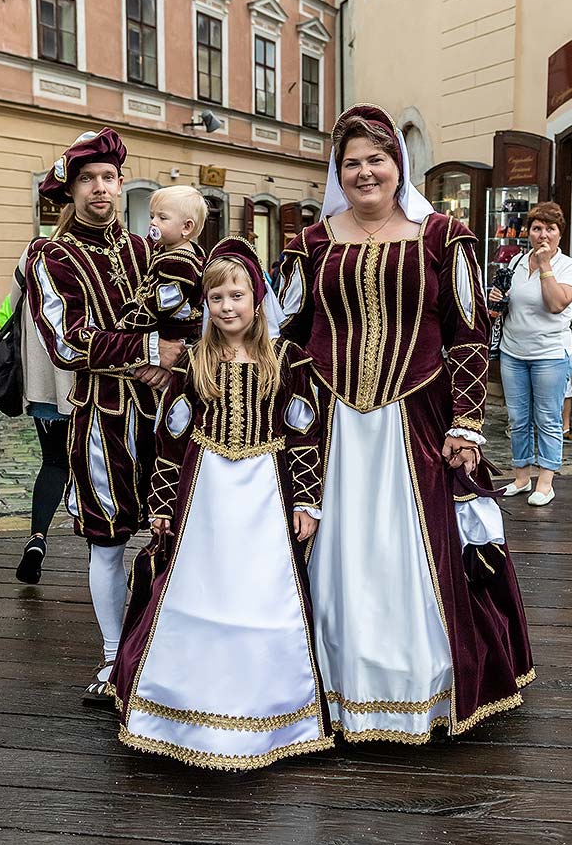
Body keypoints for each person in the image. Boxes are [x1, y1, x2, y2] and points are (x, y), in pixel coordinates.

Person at [278, 103, 534, 744]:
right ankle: (339, 693)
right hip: (331, 422)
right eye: (352, 163)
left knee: (408, 552)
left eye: (377, 160)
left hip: (415, 422)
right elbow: (282, 329)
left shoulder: (443, 237)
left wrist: (467, 421)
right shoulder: (310, 244)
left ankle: (416, 689)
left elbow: (471, 334)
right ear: (338, 173)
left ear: (399, 166)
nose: (366, 173)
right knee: (339, 553)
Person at [107, 236, 333, 771]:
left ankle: (271, 712)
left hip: (264, 490)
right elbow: (170, 436)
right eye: (215, 299)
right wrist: (162, 503)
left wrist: (307, 502)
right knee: (199, 587)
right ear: (205, 304)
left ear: (257, 297)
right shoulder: (194, 359)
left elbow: (304, 432)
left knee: (262, 591)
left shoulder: (287, 359)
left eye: (236, 295)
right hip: (206, 491)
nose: (227, 307)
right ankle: (185, 709)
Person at [26, 128, 185, 701]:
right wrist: (147, 354)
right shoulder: (51, 256)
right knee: (109, 541)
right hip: (103, 421)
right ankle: (113, 657)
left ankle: (167, 644)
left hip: (168, 413)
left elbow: (182, 318)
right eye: (88, 179)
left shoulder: (147, 248)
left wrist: (176, 358)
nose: (100, 188)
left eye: (109, 178)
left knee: (180, 532)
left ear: (121, 185)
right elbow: (68, 343)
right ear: (70, 190)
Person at [490, 202, 572, 505]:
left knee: (548, 419)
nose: (543, 235)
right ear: (528, 232)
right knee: (517, 418)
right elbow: (504, 306)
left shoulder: (569, 266)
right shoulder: (515, 262)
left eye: (550, 229)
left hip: (549, 355)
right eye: (537, 228)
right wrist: (496, 298)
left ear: (559, 234)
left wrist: (545, 267)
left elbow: (556, 303)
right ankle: (521, 476)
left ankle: (546, 481)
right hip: (513, 352)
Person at [11, 222, 74, 584]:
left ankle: (37, 539)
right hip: (88, 385)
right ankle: (104, 550)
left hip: (44, 385)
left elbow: (12, 307)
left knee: (53, 462)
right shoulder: (94, 262)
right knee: (97, 464)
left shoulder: (33, 253)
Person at [117, 186, 207, 344]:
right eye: (152, 216)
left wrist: (129, 323)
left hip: (172, 334)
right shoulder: (169, 249)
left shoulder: (179, 264)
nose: (153, 222)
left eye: (162, 218)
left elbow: (161, 305)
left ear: (186, 227)